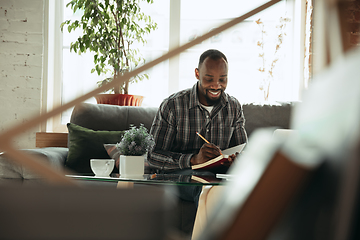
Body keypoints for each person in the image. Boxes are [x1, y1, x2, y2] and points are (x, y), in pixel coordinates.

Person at [147, 49, 248, 205]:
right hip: (180, 175)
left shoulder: (234, 107)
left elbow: (242, 151)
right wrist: (193, 160)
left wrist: (236, 160)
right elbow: (152, 156)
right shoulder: (173, 105)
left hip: (219, 174)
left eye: (223, 79)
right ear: (197, 74)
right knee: (206, 186)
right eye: (209, 78)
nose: (216, 85)